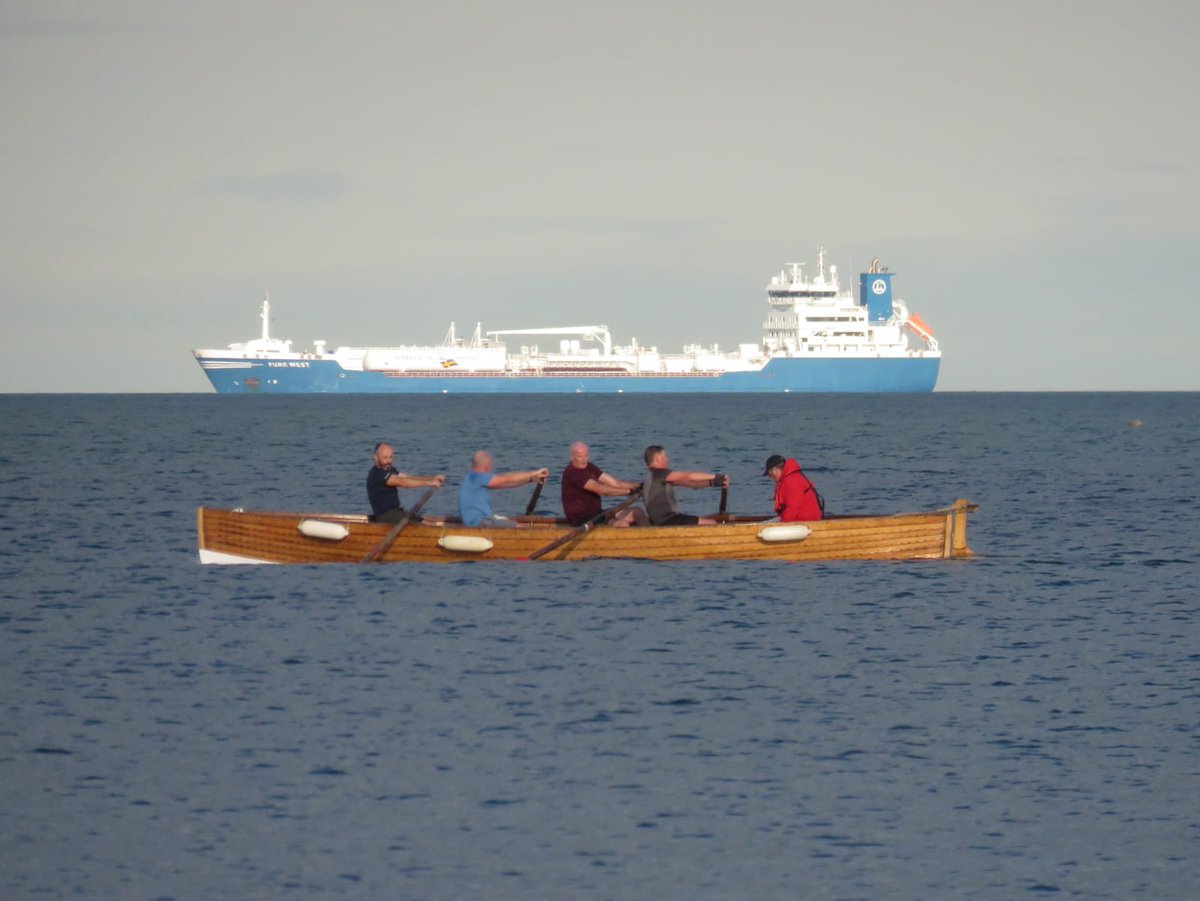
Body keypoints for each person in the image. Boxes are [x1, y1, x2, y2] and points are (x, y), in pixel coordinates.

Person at [560, 441, 647, 527]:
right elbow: (601, 490)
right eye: (580, 457)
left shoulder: (590, 467)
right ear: (571, 457)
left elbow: (615, 483)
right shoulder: (572, 473)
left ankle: (652, 538)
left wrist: (640, 486)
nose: (584, 460)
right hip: (581, 519)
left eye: (586, 456)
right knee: (623, 525)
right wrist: (629, 491)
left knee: (637, 512)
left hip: (597, 513)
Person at [641, 445, 728, 526]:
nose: (667, 459)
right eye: (665, 456)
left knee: (706, 520)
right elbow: (689, 476)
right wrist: (715, 476)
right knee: (712, 523)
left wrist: (713, 482)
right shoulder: (660, 473)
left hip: (665, 520)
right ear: (658, 458)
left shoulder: (654, 476)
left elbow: (692, 484)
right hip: (669, 520)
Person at [459, 450, 549, 527]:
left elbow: (507, 484)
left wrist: (531, 479)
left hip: (479, 521)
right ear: (487, 466)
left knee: (513, 523)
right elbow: (507, 479)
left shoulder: (471, 477)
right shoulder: (478, 477)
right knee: (519, 527)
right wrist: (534, 473)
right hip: (479, 523)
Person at [367, 442, 445, 524]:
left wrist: (431, 478)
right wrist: (428, 483)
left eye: (390, 457)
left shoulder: (388, 469)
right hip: (385, 516)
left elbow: (407, 478)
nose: (388, 461)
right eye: (385, 458)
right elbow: (402, 482)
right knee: (418, 525)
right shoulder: (377, 474)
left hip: (396, 512)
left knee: (421, 520)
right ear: (376, 458)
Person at [762, 454, 824, 522]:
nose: (771, 477)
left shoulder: (791, 481)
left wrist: (783, 524)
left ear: (775, 471)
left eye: (770, 475)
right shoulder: (791, 477)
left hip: (805, 521)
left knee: (763, 526)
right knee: (766, 524)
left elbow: (792, 508)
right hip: (803, 519)